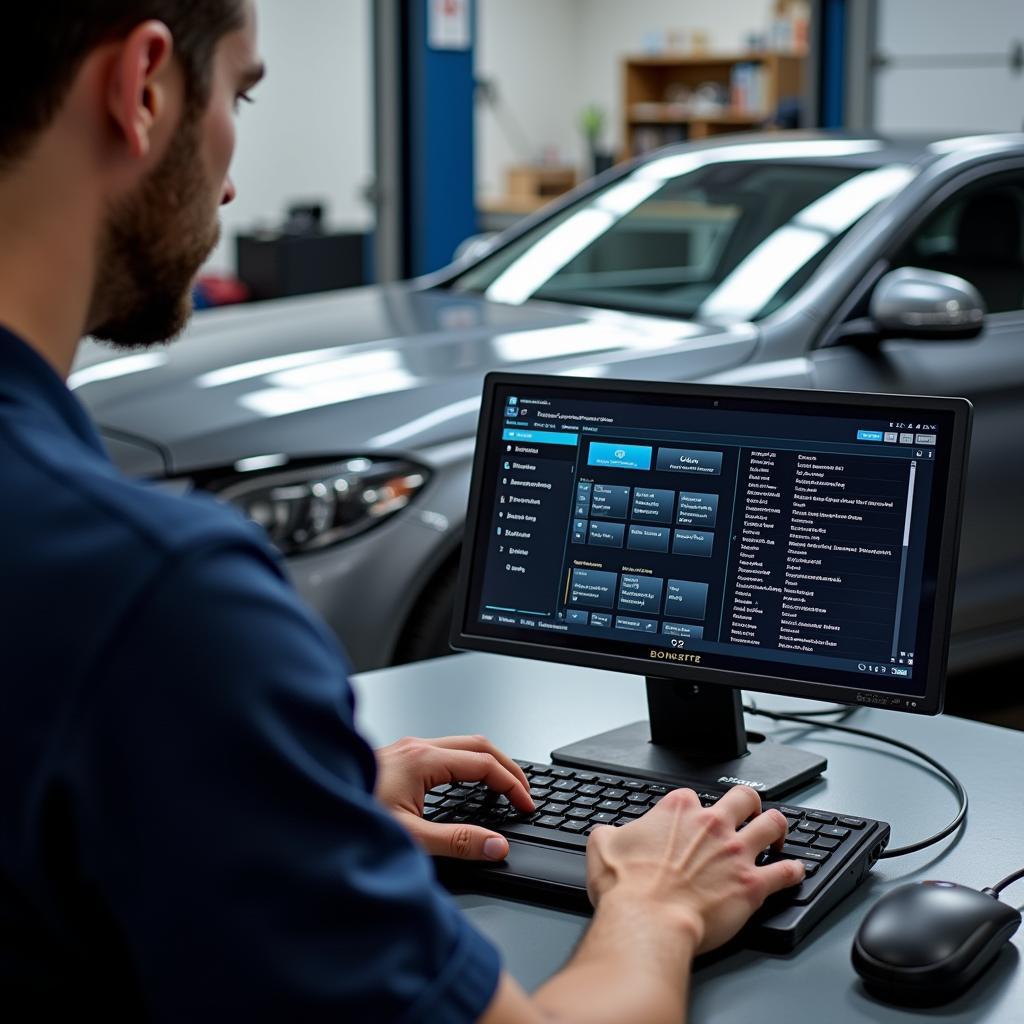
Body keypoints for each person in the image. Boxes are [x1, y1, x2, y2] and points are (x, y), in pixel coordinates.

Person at [0, 3, 804, 1020]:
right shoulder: (156, 596)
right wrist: (657, 907)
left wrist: (269, 793)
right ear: (145, 88)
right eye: (241, 94)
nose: (235, 172)